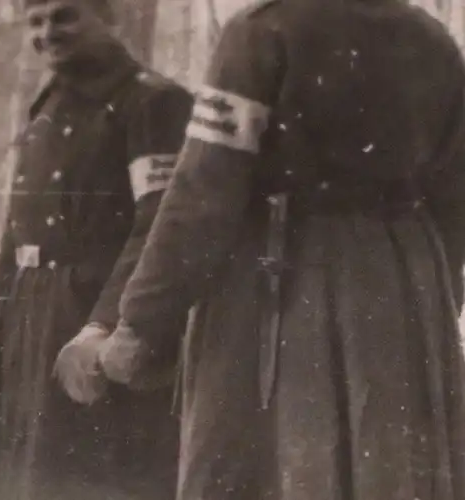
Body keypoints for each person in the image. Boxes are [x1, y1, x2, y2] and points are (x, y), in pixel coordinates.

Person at [96, 0, 465, 499]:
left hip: (281, 287)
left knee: (276, 465)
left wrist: (141, 322)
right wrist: (434, 301)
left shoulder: (261, 32)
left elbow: (204, 192)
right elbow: (454, 196)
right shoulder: (433, 41)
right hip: (402, 291)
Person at [0, 0, 192, 498]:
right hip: (26, 327)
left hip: (90, 322)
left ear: (108, 17)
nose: (47, 31)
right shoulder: (48, 105)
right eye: (36, 20)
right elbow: (16, 235)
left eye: (64, 15)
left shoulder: (152, 102)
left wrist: (104, 324)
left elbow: (157, 224)